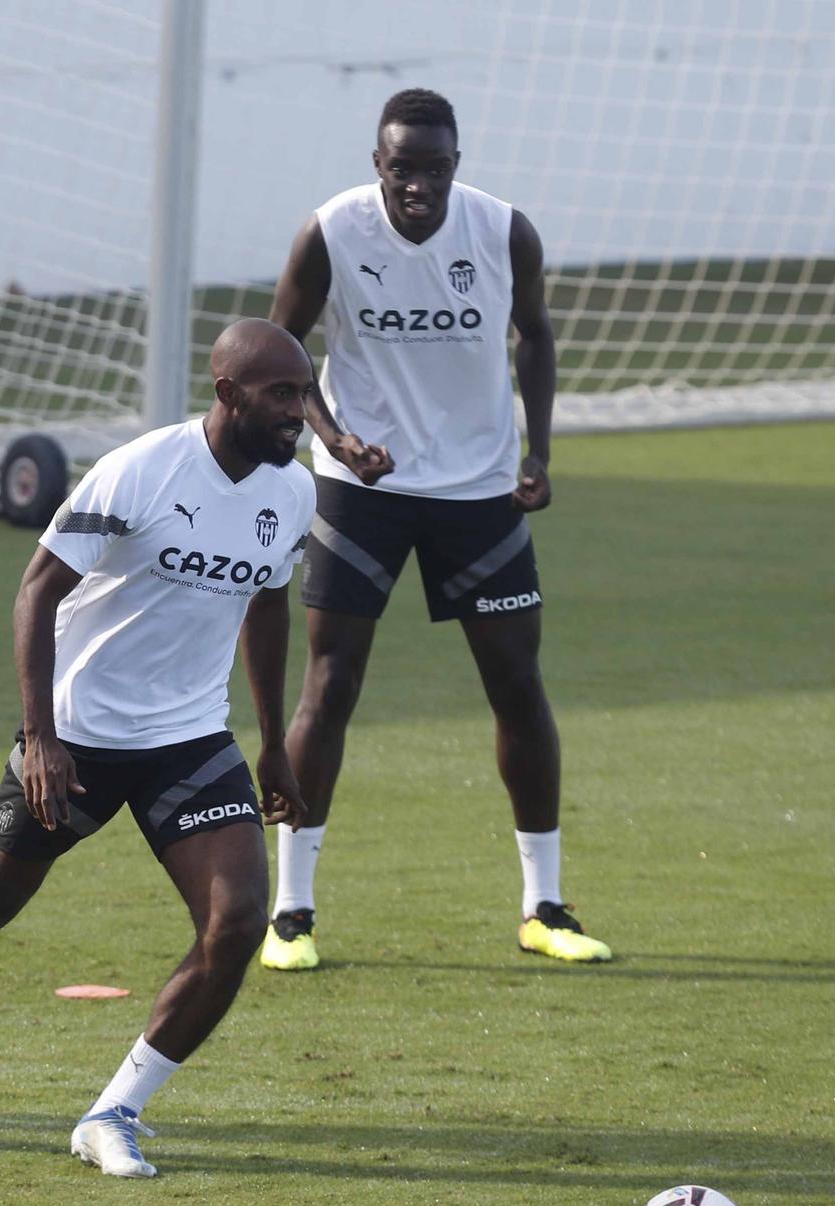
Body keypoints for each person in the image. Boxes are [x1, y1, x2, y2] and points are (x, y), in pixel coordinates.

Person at [0, 319, 316, 1178]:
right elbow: (38, 588)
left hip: (190, 737)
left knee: (235, 926)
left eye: (302, 395)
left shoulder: (292, 491)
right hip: (78, 734)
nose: (298, 415)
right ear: (228, 394)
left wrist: (271, 742)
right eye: (280, 396)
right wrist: (40, 736)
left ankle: (113, 1112)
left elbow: (268, 604)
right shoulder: (141, 469)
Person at [260, 87, 611, 972]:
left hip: (479, 489)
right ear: (377, 164)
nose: (419, 184)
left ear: (458, 163)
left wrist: (540, 451)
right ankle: (290, 911)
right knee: (330, 685)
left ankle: (545, 904)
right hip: (358, 489)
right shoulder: (331, 233)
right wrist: (336, 441)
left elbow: (534, 335)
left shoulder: (502, 233)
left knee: (517, 684)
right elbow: (278, 357)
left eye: (435, 167)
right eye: (402, 167)